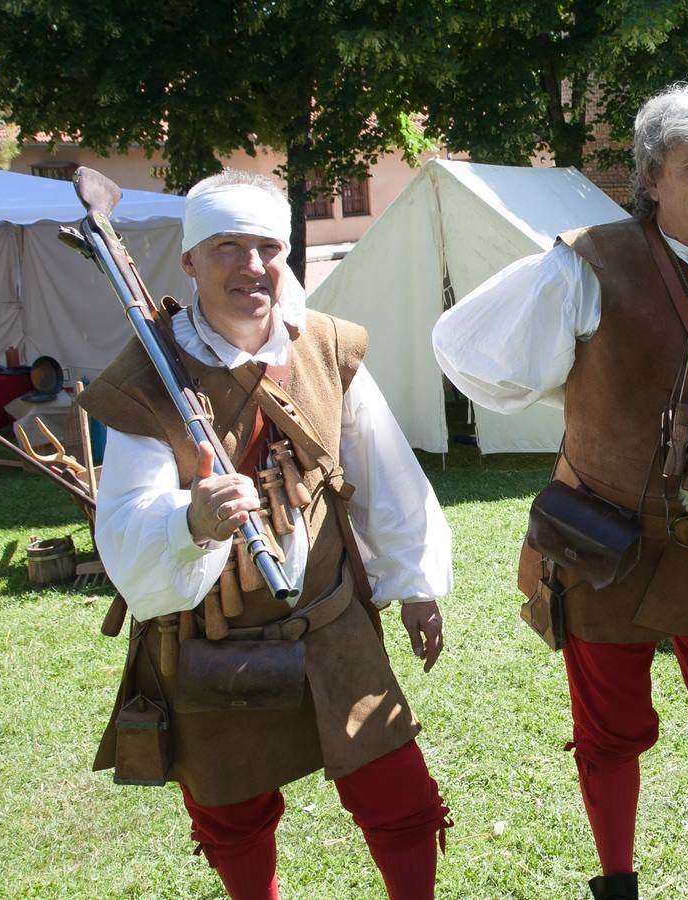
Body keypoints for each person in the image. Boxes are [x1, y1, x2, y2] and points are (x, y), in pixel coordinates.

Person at [432, 84, 688, 900]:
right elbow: (470, 348)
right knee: (609, 730)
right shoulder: (587, 260)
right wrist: (573, 395)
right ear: (651, 180)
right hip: (602, 542)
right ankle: (617, 881)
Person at [78, 170, 454, 900]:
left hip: (330, 621)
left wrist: (415, 585)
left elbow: (383, 470)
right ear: (190, 262)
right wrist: (190, 520)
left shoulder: (325, 345)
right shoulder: (146, 379)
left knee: (401, 799)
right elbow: (124, 520)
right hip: (212, 639)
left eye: (267, 248)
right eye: (227, 247)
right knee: (234, 820)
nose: (252, 266)